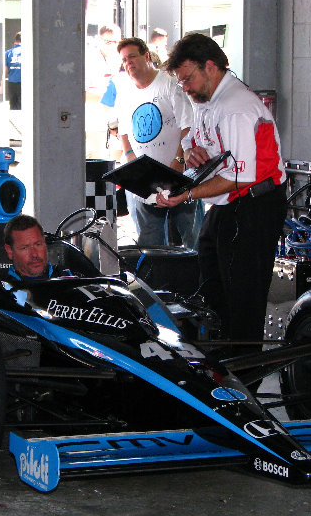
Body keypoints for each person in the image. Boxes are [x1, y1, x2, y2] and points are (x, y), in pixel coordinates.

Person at [157, 33, 287, 363]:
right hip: (226, 204)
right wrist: (191, 150)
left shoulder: (237, 109)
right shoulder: (206, 98)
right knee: (212, 282)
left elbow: (237, 177)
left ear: (211, 67)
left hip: (254, 204)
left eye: (188, 78)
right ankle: (218, 359)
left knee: (244, 297)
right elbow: (191, 134)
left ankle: (245, 376)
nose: (184, 88)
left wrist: (186, 193)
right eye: (181, 81)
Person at [115, 37, 196, 248]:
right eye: (124, 60)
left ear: (147, 56)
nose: (129, 63)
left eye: (132, 56)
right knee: (149, 242)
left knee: (191, 237)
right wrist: (131, 158)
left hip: (178, 176)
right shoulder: (124, 92)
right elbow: (123, 131)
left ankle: (198, 279)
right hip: (144, 181)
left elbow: (188, 125)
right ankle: (158, 279)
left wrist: (179, 159)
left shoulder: (169, 83)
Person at [85, 24, 122, 159]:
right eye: (107, 42)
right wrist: (103, 97)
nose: (111, 45)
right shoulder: (89, 60)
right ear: (99, 40)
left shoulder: (117, 59)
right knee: (91, 160)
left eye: (115, 42)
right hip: (90, 121)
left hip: (105, 121)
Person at [3, 215, 62, 281]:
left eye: (38, 244)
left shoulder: (68, 280)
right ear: (10, 251)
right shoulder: (1, 289)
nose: (34, 254)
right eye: (24, 248)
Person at [0, 31, 21, 111]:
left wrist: (2, 86)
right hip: (24, 84)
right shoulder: (28, 52)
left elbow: (4, 70)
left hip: (12, 84)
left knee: (14, 108)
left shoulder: (8, 53)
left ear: (15, 41)